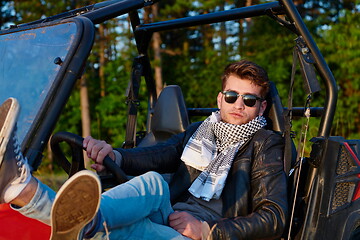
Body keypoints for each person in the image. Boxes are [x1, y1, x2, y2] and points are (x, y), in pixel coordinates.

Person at [0, 60, 288, 240]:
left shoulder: (265, 143)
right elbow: (160, 153)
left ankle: (26, 190)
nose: (239, 104)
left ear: (261, 107)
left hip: (203, 231)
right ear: (220, 98)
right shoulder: (202, 129)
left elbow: (274, 216)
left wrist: (209, 232)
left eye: (249, 100)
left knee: (117, 232)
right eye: (232, 95)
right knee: (152, 182)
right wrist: (115, 155)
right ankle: (71, 214)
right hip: (169, 211)